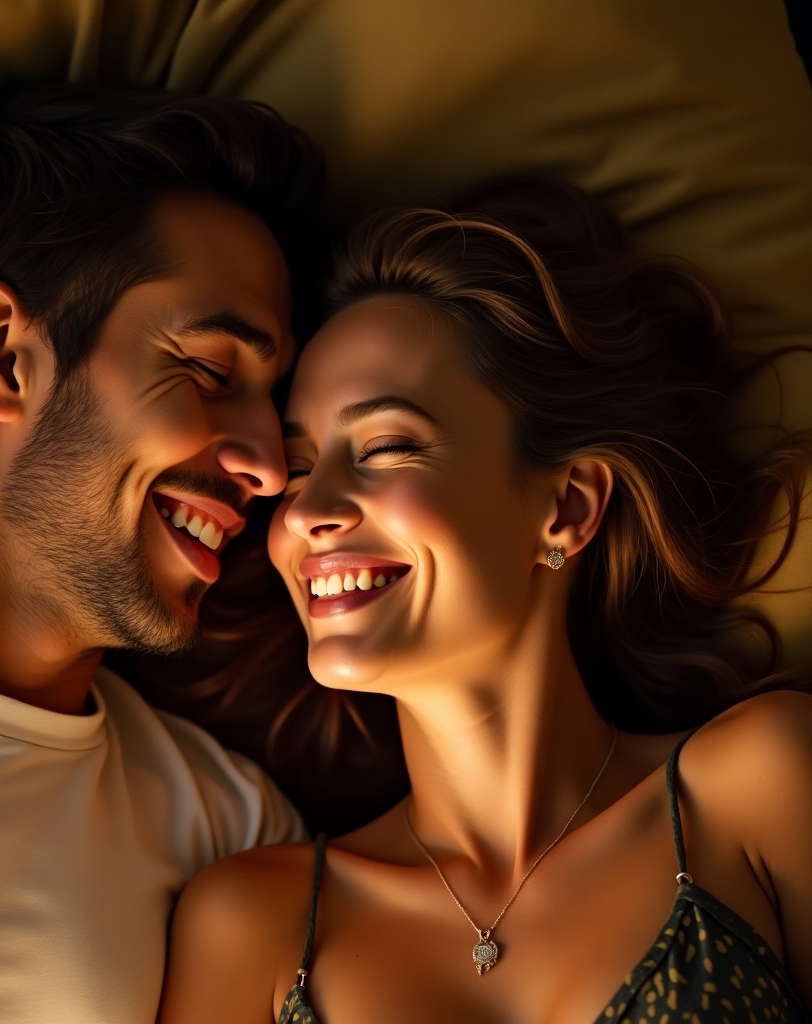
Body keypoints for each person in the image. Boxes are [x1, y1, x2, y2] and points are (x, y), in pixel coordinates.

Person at [157, 176, 812, 1023]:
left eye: (387, 447)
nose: (309, 511)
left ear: (567, 506)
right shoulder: (255, 926)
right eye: (302, 465)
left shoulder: (758, 789)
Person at [0, 82, 325, 1024]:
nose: (272, 468)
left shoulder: (233, 834)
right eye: (206, 369)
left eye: (275, 410)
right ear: (3, 355)